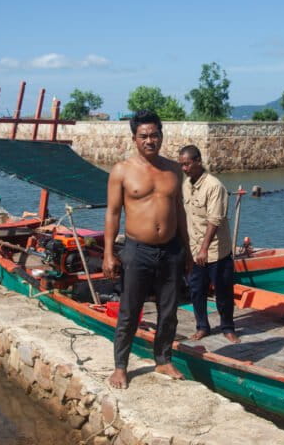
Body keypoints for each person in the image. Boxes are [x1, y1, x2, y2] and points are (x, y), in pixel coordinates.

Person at [103, 110, 192, 389]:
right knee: (130, 310)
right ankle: (120, 367)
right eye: (144, 136)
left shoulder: (173, 170)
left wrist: (187, 249)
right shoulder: (122, 171)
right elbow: (113, 214)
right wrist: (108, 253)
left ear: (162, 136)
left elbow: (179, 210)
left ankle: (163, 360)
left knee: (169, 310)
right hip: (137, 250)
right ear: (134, 139)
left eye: (155, 135)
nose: (150, 140)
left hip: (171, 249)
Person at [178, 145, 239, 344]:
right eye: (182, 165)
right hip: (196, 249)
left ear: (198, 161)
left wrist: (204, 248)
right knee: (197, 290)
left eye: (187, 164)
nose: (184, 169)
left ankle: (228, 327)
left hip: (215, 250)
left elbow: (215, 220)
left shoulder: (214, 186)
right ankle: (202, 326)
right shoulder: (186, 185)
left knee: (223, 291)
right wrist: (190, 249)